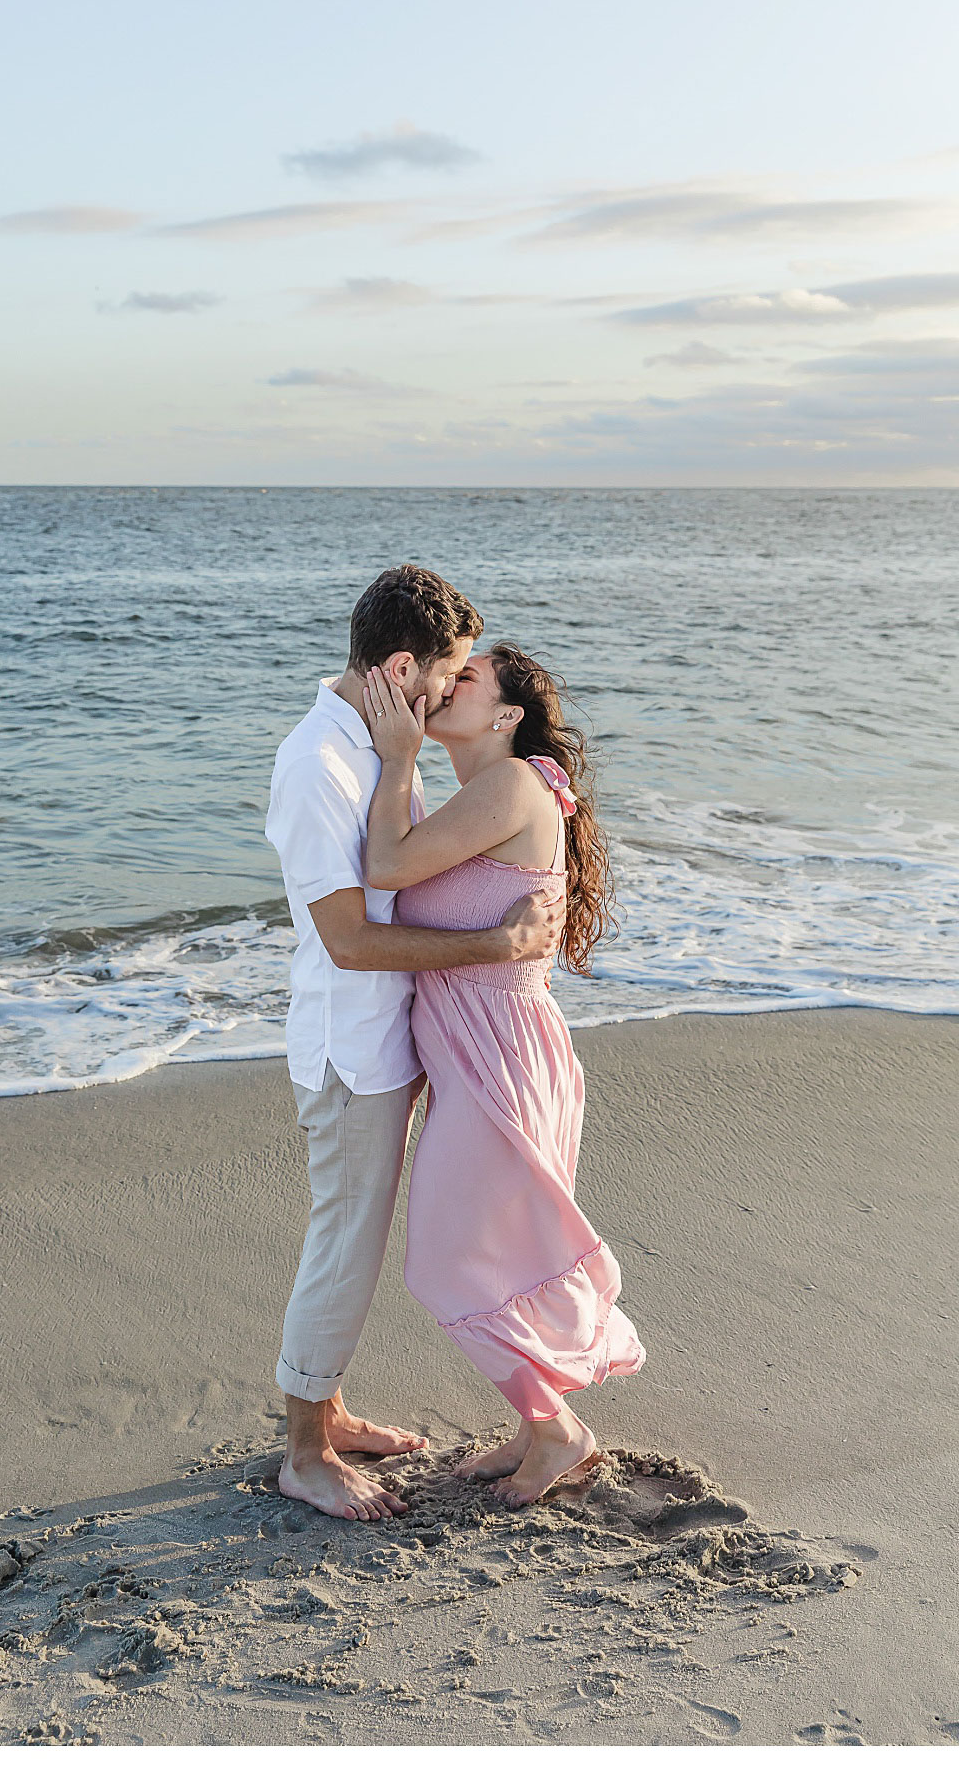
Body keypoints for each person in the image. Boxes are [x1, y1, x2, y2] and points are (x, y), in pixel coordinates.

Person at [264, 569, 563, 1522]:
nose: (447, 693)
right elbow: (350, 940)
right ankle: (304, 1453)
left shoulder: (381, 744)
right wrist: (494, 945)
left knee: (363, 1233)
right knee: (346, 1240)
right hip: (352, 1046)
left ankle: (331, 1407)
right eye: (447, 675)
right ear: (402, 666)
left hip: (400, 1039)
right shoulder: (321, 764)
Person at [362, 642, 646, 1507]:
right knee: (495, 1249)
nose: (447, 685)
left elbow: (384, 868)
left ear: (506, 716)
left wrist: (396, 757)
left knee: (448, 1260)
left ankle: (557, 1433)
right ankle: (535, 1425)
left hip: (502, 1057)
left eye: (468, 679)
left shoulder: (512, 786)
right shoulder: (492, 793)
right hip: (495, 1050)